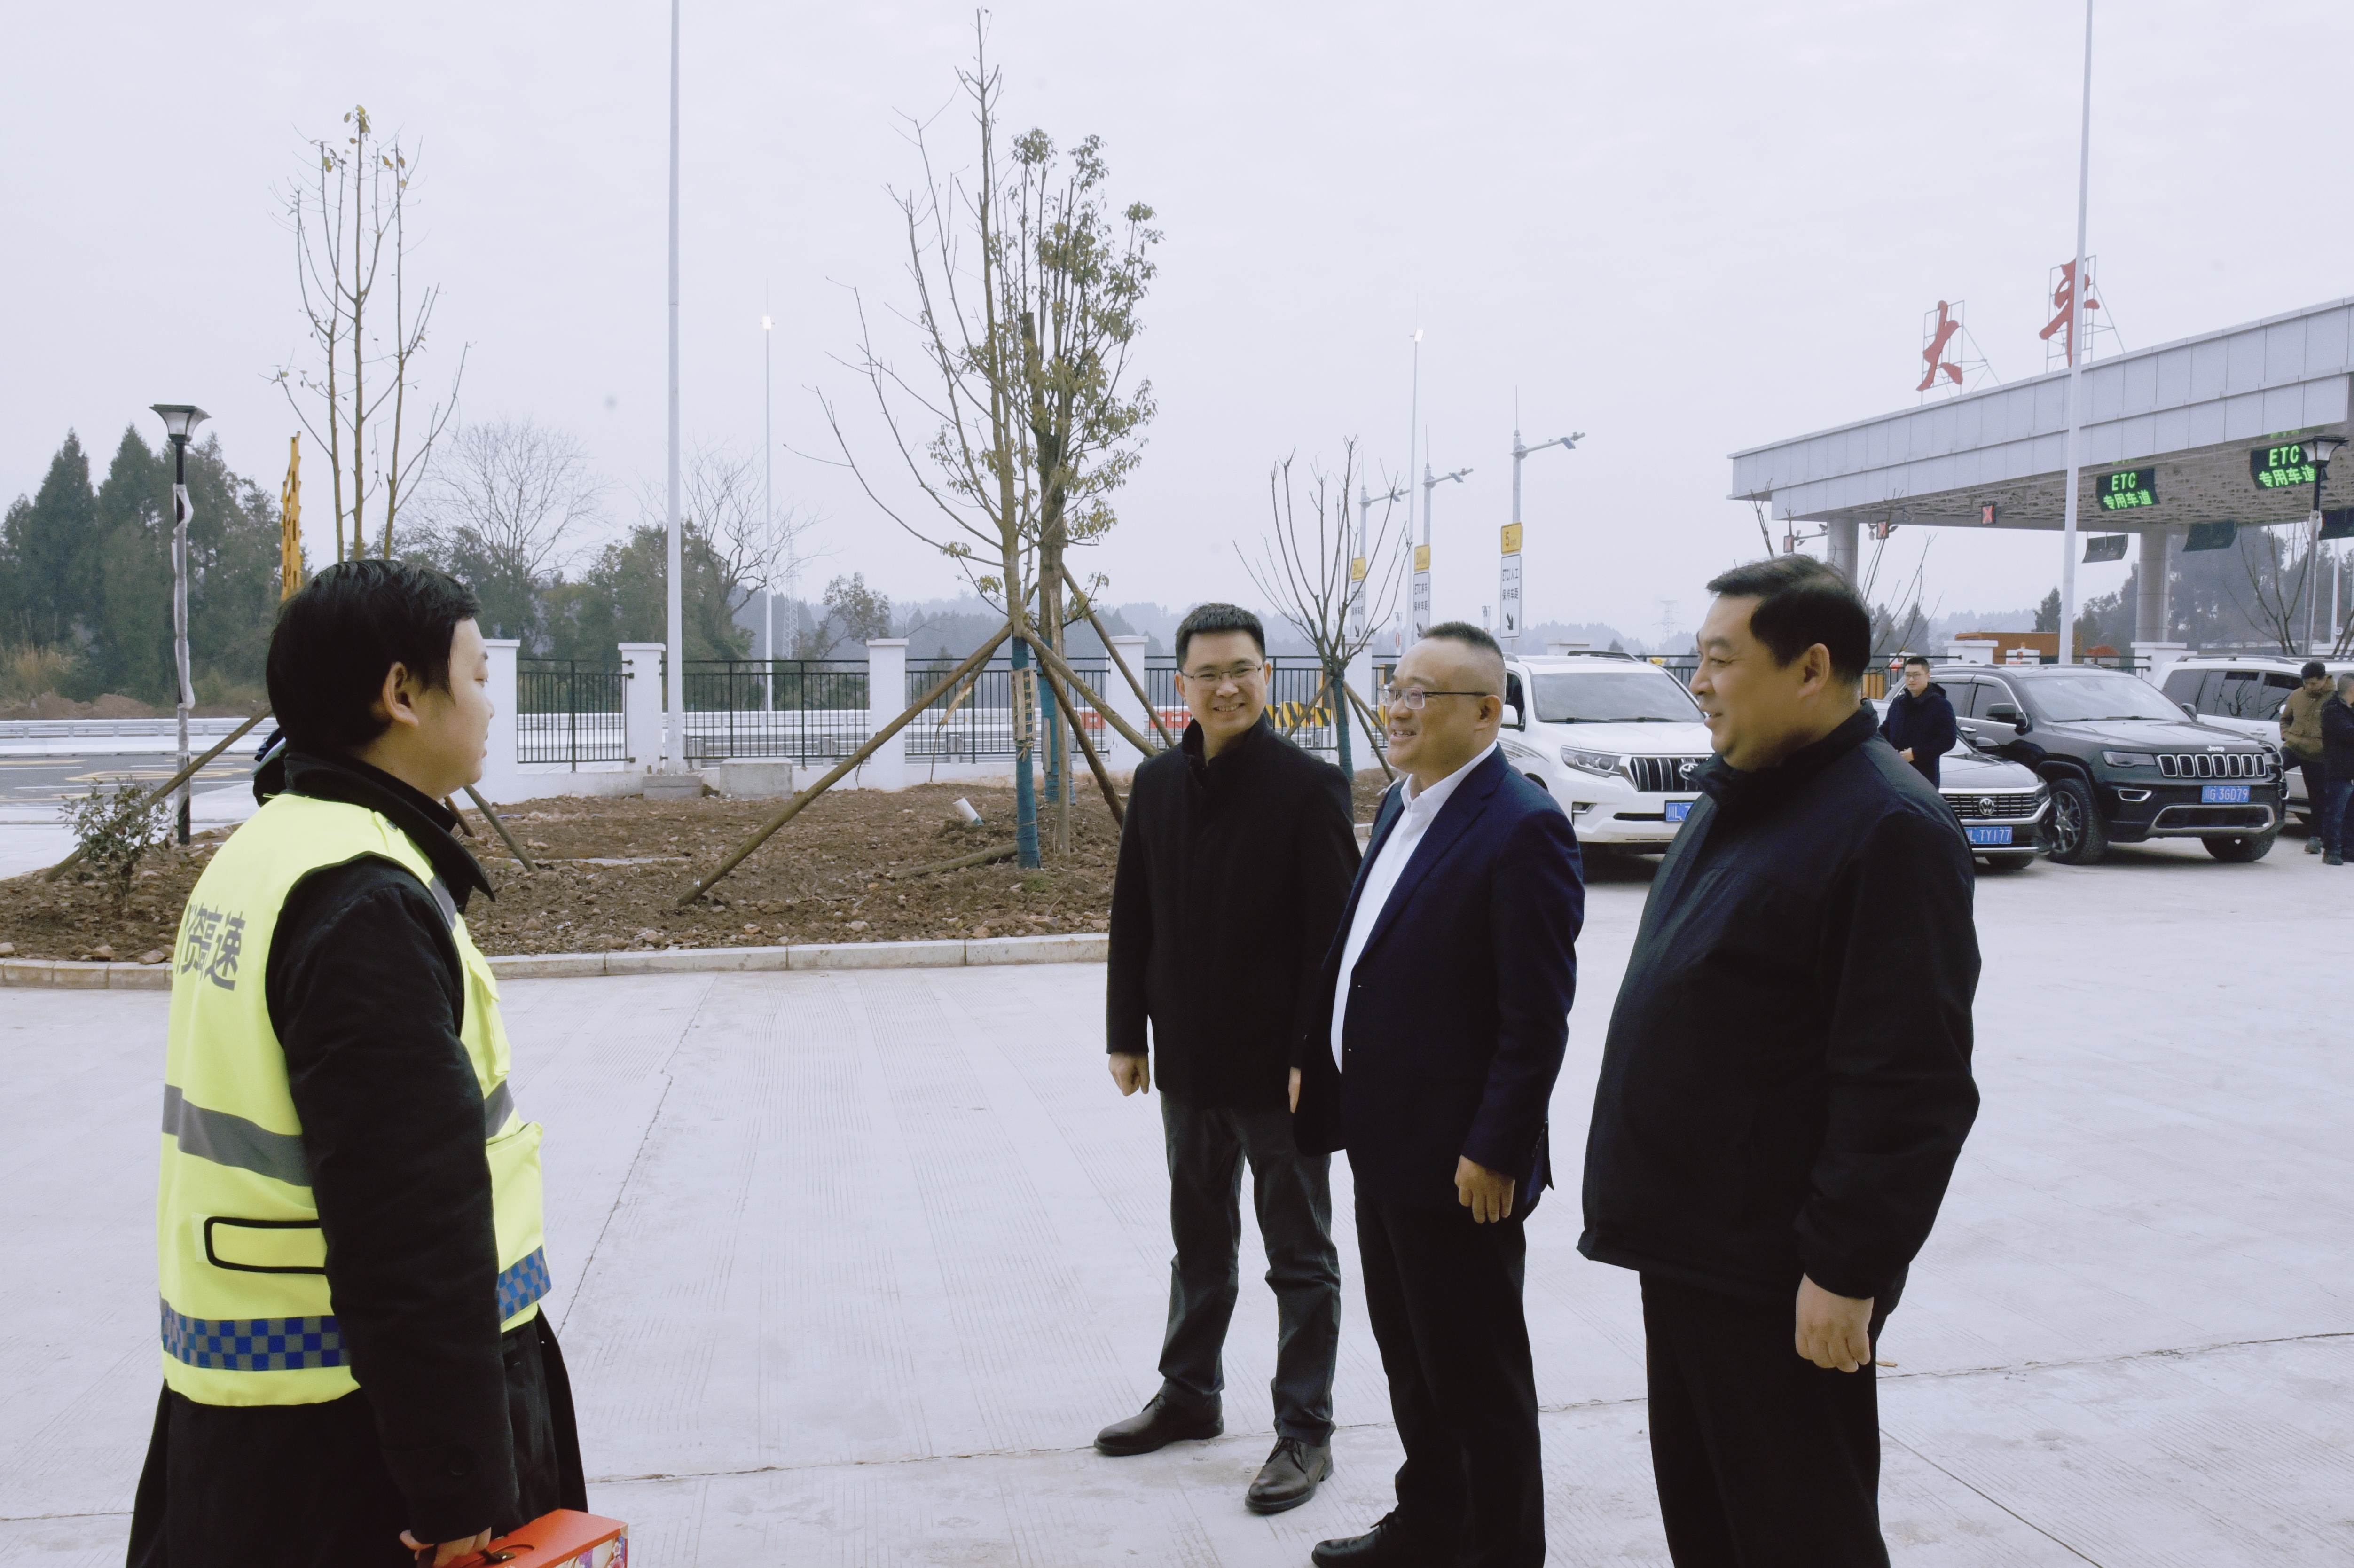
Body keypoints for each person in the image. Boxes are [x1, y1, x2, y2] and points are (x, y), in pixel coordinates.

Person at [130, 561, 586, 1568]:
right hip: (353, 1458)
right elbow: (408, 1217)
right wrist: (457, 1481)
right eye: (475, 676)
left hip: (245, 1428)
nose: (490, 703)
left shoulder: (265, 853)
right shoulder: (364, 900)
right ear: (401, 694)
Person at [1580, 554, 1980, 1567]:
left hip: (1775, 1272)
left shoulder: (1886, 828)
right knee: (1712, 1527)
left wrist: (1845, 1268)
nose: (1699, 683)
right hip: (1692, 1246)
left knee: (1798, 1534)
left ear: (1809, 668)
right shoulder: (1744, 793)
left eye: (1720, 660)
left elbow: (1907, 1081)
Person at [1299, 622, 1583, 1568]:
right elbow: (1359, 953)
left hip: (1461, 1166)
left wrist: (1496, 1147)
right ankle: (1429, 1527)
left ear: (1485, 713)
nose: (1396, 707)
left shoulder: (1521, 827)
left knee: (1479, 1384)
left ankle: (1500, 1551)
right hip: (1384, 1144)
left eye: (1421, 693)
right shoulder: (1401, 803)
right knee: (1415, 1367)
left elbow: (1534, 1018)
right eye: (1394, 687)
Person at [1098, 603, 1358, 1515]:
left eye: (1242, 669)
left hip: (1278, 1074)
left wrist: (1311, 1055)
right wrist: (1125, 1032)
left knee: (1299, 1255)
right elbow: (1133, 913)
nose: (1226, 687)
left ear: (1266, 675)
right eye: (1207, 673)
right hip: (1186, 1064)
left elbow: (1332, 941)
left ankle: (1304, 1429)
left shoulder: (1308, 788)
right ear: (1182, 685)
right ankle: (1189, 1394)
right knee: (1198, 1239)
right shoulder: (1157, 783)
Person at [1877, 654, 1957, 786]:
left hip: (1924, 777)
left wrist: (1916, 754)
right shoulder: (1898, 703)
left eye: (1916, 675)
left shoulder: (1940, 705)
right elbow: (1886, 731)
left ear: (1928, 676)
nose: (1911, 680)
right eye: (1908, 675)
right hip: (1895, 774)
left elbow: (1948, 740)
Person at [2280, 660, 2335, 854]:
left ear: (2324, 679)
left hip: (2317, 755)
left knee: (2317, 797)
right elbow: (2285, 719)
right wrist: (2286, 734)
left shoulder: (2335, 699)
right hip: (2293, 747)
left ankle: (2315, 837)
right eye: (2306, 683)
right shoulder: (2297, 695)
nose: (2310, 687)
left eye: (2314, 683)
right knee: (2272, 771)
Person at [2320, 673, 2354, 867]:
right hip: (2340, 770)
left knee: (2351, 814)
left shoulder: (2350, 708)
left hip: (2351, 771)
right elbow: (2349, 734)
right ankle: (2332, 850)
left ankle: (2349, 849)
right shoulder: (2332, 710)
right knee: (2336, 813)